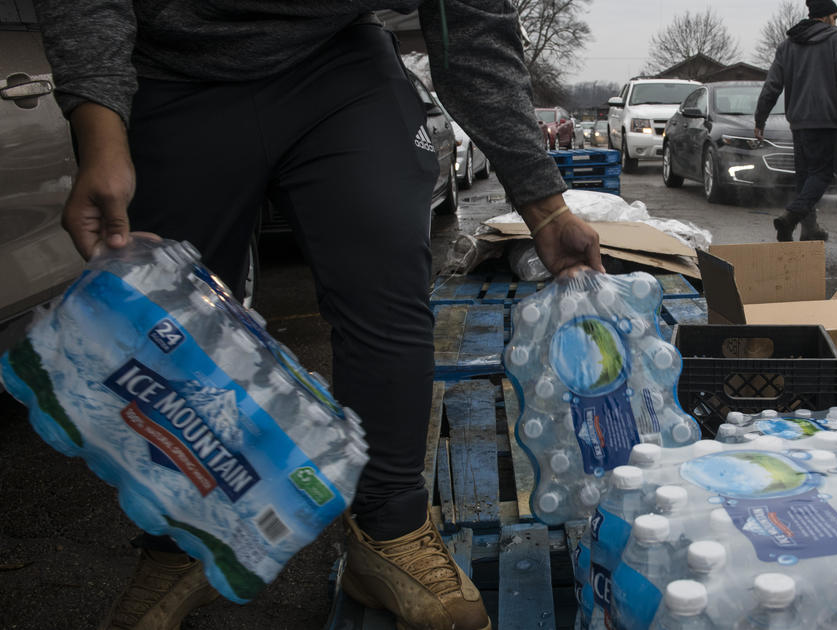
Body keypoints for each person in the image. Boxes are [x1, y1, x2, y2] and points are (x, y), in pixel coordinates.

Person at [32, 2, 602, 629]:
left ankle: (390, 530)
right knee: (161, 315)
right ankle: (181, 540)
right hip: (169, 68)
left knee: (385, 278)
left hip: (337, 63)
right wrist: (102, 132)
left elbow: (467, 31)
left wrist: (545, 209)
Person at [754, 0, 837, 242]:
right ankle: (790, 217)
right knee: (822, 175)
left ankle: (809, 229)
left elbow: (772, 86)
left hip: (799, 123)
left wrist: (760, 119)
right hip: (827, 122)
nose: (836, 22)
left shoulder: (788, 45)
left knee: (805, 177)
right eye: (835, 17)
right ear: (827, 16)